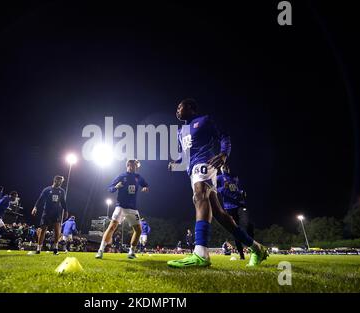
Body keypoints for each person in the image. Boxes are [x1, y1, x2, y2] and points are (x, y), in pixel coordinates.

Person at [167, 98, 268, 268]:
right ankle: (257, 248)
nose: (177, 110)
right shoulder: (180, 131)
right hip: (193, 170)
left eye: (180, 107)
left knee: (199, 196)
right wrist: (175, 162)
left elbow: (224, 136)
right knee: (220, 215)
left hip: (206, 162)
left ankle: (201, 253)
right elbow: (185, 153)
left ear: (191, 108)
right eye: (176, 108)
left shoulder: (205, 120)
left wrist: (223, 154)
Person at [95, 159, 149, 259]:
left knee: (138, 230)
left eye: (137, 166)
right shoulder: (121, 176)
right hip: (121, 206)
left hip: (133, 208)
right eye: (134, 165)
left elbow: (145, 184)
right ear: (128, 165)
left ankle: (131, 252)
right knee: (112, 227)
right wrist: (116, 187)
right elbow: (110, 188)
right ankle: (100, 250)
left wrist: (145, 187)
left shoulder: (138, 177)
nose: (136, 167)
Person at [217, 164, 253, 260]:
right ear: (221, 169)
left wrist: (241, 192)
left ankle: (253, 250)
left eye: (227, 167)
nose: (226, 168)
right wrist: (223, 188)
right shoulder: (219, 178)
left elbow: (235, 189)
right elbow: (214, 190)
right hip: (229, 207)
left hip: (240, 205)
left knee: (248, 225)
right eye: (224, 167)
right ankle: (241, 255)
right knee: (235, 231)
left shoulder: (234, 177)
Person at [31, 175, 66, 255]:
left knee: (57, 231)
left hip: (56, 213)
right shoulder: (47, 189)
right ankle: (38, 248)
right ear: (55, 180)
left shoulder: (62, 191)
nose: (60, 183)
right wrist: (35, 207)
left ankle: (55, 248)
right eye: (59, 181)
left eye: (61, 181)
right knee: (43, 230)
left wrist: (66, 210)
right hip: (46, 212)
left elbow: (63, 202)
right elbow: (40, 199)